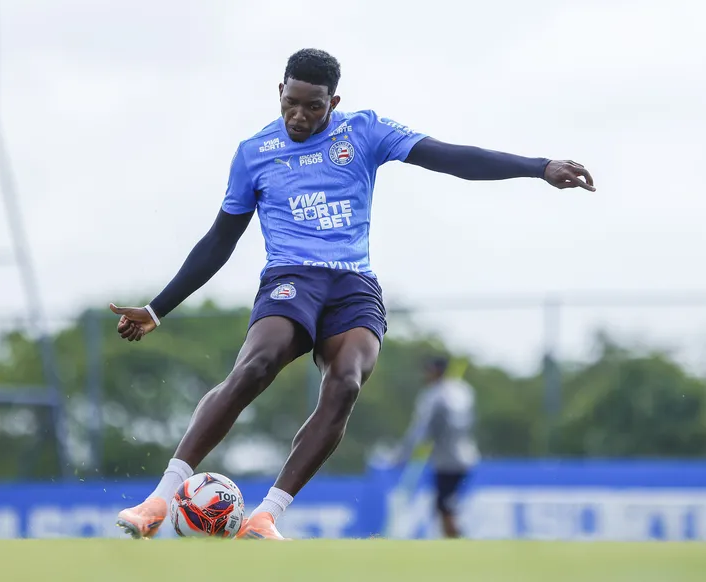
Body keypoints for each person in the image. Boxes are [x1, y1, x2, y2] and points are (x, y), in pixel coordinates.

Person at [109, 48, 595, 541]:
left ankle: (266, 515)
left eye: (313, 106)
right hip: (290, 278)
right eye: (291, 103)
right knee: (257, 365)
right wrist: (157, 309)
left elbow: (449, 157)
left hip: (352, 285)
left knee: (346, 383)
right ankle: (158, 500)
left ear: (333, 101)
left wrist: (539, 167)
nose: (299, 115)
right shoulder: (254, 153)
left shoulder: (364, 131)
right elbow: (219, 240)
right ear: (280, 92)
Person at [395, 356, 479, 538]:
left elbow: (421, 430)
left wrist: (402, 455)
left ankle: (457, 542)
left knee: (444, 505)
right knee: (444, 504)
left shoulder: (434, 395)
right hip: (466, 455)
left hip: (448, 459)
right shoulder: (463, 391)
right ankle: (452, 540)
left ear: (437, 371)